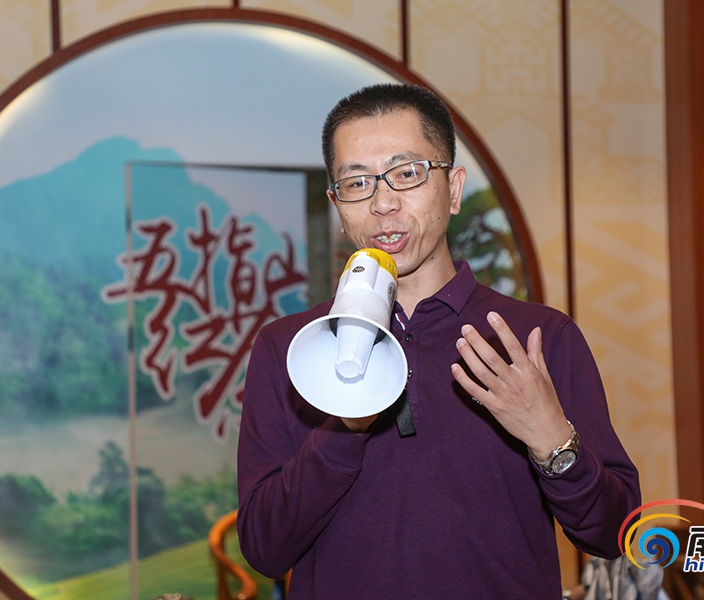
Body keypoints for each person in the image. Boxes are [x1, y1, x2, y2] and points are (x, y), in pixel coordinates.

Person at [236, 82, 641, 599]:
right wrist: (344, 427)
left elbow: (615, 534)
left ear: (452, 189)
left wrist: (550, 439)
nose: (383, 203)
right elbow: (264, 549)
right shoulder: (290, 348)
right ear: (337, 205)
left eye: (407, 174)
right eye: (357, 183)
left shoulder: (538, 338)